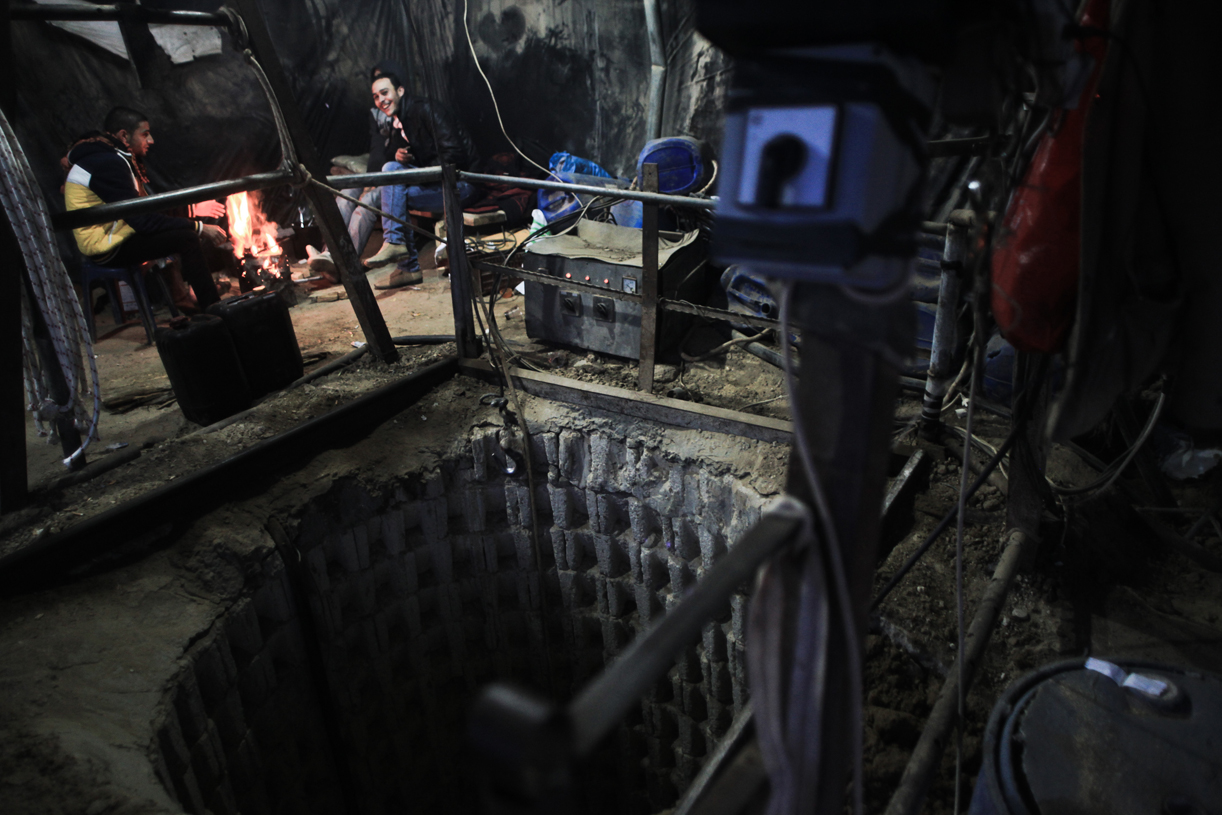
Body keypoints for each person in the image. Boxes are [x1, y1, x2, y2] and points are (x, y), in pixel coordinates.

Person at [64, 107, 226, 310]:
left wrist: (192, 210)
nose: (151, 141)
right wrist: (199, 227)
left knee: (181, 234)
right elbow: (144, 221)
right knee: (187, 238)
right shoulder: (107, 163)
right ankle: (214, 310)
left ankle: (194, 302)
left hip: (118, 234)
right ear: (124, 135)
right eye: (145, 134)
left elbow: (146, 209)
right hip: (106, 248)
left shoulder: (114, 158)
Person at [364, 70, 479, 288]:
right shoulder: (404, 117)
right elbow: (430, 154)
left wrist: (416, 175)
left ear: (400, 91)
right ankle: (396, 245)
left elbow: (454, 157)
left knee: (396, 195)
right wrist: (408, 157)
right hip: (440, 180)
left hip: (462, 184)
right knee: (391, 167)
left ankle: (405, 262)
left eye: (384, 93)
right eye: (376, 97)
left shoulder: (424, 109)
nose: (381, 100)